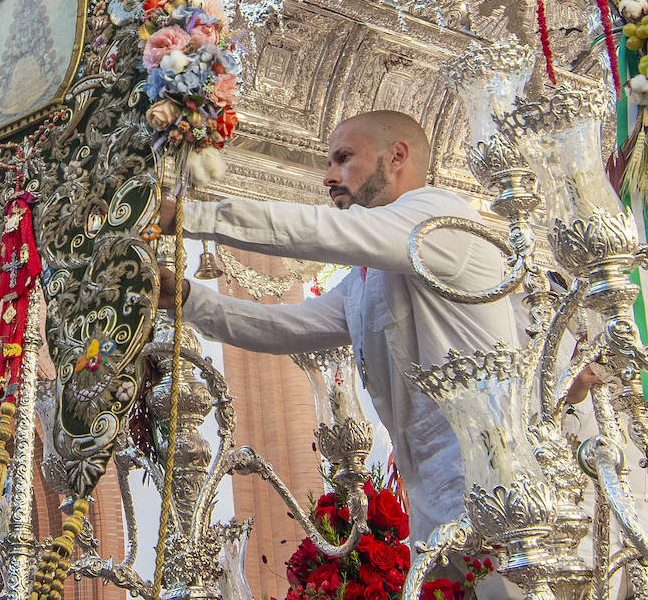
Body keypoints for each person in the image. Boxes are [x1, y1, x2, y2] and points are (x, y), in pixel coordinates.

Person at [158, 109, 518, 550]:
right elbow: (287, 328)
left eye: (343, 158)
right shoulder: (364, 283)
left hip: (499, 483)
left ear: (397, 156)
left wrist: (190, 217)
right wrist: (186, 298)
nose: (328, 177)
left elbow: (326, 231)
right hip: (432, 496)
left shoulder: (440, 216)